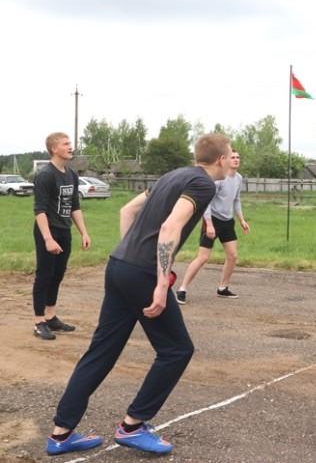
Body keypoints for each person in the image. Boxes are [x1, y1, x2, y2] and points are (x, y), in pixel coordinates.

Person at [45, 134, 231, 457]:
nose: (232, 161)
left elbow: (126, 211)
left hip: (119, 265)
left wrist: (131, 254)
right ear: (219, 160)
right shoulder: (203, 185)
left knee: (101, 351)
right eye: (230, 156)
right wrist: (161, 283)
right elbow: (170, 228)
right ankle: (132, 426)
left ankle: (61, 434)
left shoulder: (172, 176)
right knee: (176, 350)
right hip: (142, 274)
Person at [32, 132, 91, 341]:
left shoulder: (71, 175)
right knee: (44, 275)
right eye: (66, 144)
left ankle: (51, 316)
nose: (70, 147)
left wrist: (83, 232)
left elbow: (75, 206)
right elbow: (39, 210)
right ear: (54, 148)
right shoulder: (46, 175)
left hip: (64, 231)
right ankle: (39, 322)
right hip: (48, 231)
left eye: (70, 143)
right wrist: (48, 239)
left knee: (58, 274)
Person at [175, 148, 249, 304]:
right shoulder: (219, 179)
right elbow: (206, 202)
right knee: (203, 257)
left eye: (238, 157)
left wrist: (241, 220)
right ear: (226, 160)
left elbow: (236, 200)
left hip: (227, 221)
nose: (236, 159)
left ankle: (223, 288)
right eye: (233, 157)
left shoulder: (238, 178)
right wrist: (208, 224)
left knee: (233, 256)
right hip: (212, 220)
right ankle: (181, 289)